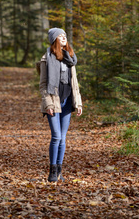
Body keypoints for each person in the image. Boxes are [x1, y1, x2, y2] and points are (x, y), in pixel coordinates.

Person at [39, 27, 83, 182]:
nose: (64, 38)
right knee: (56, 136)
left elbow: (74, 83)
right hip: (54, 99)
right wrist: (48, 104)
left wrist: (78, 103)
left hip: (67, 100)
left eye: (65, 35)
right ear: (54, 39)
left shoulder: (70, 57)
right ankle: (52, 171)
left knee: (63, 138)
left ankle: (59, 171)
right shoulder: (47, 58)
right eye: (60, 36)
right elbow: (43, 84)